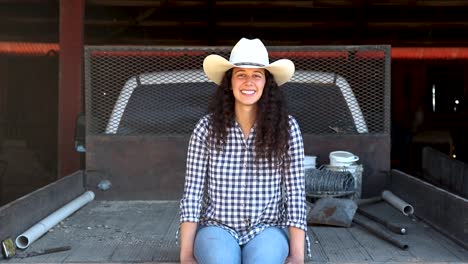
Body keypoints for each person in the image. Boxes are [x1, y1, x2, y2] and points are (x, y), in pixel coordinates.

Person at [178, 38, 309, 264]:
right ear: (230, 82)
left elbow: (296, 194)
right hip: (217, 228)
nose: (249, 82)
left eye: (256, 75)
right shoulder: (206, 128)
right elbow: (192, 194)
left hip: (268, 229)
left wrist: (297, 256)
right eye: (241, 74)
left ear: (266, 82)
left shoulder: (287, 128)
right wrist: (186, 255)